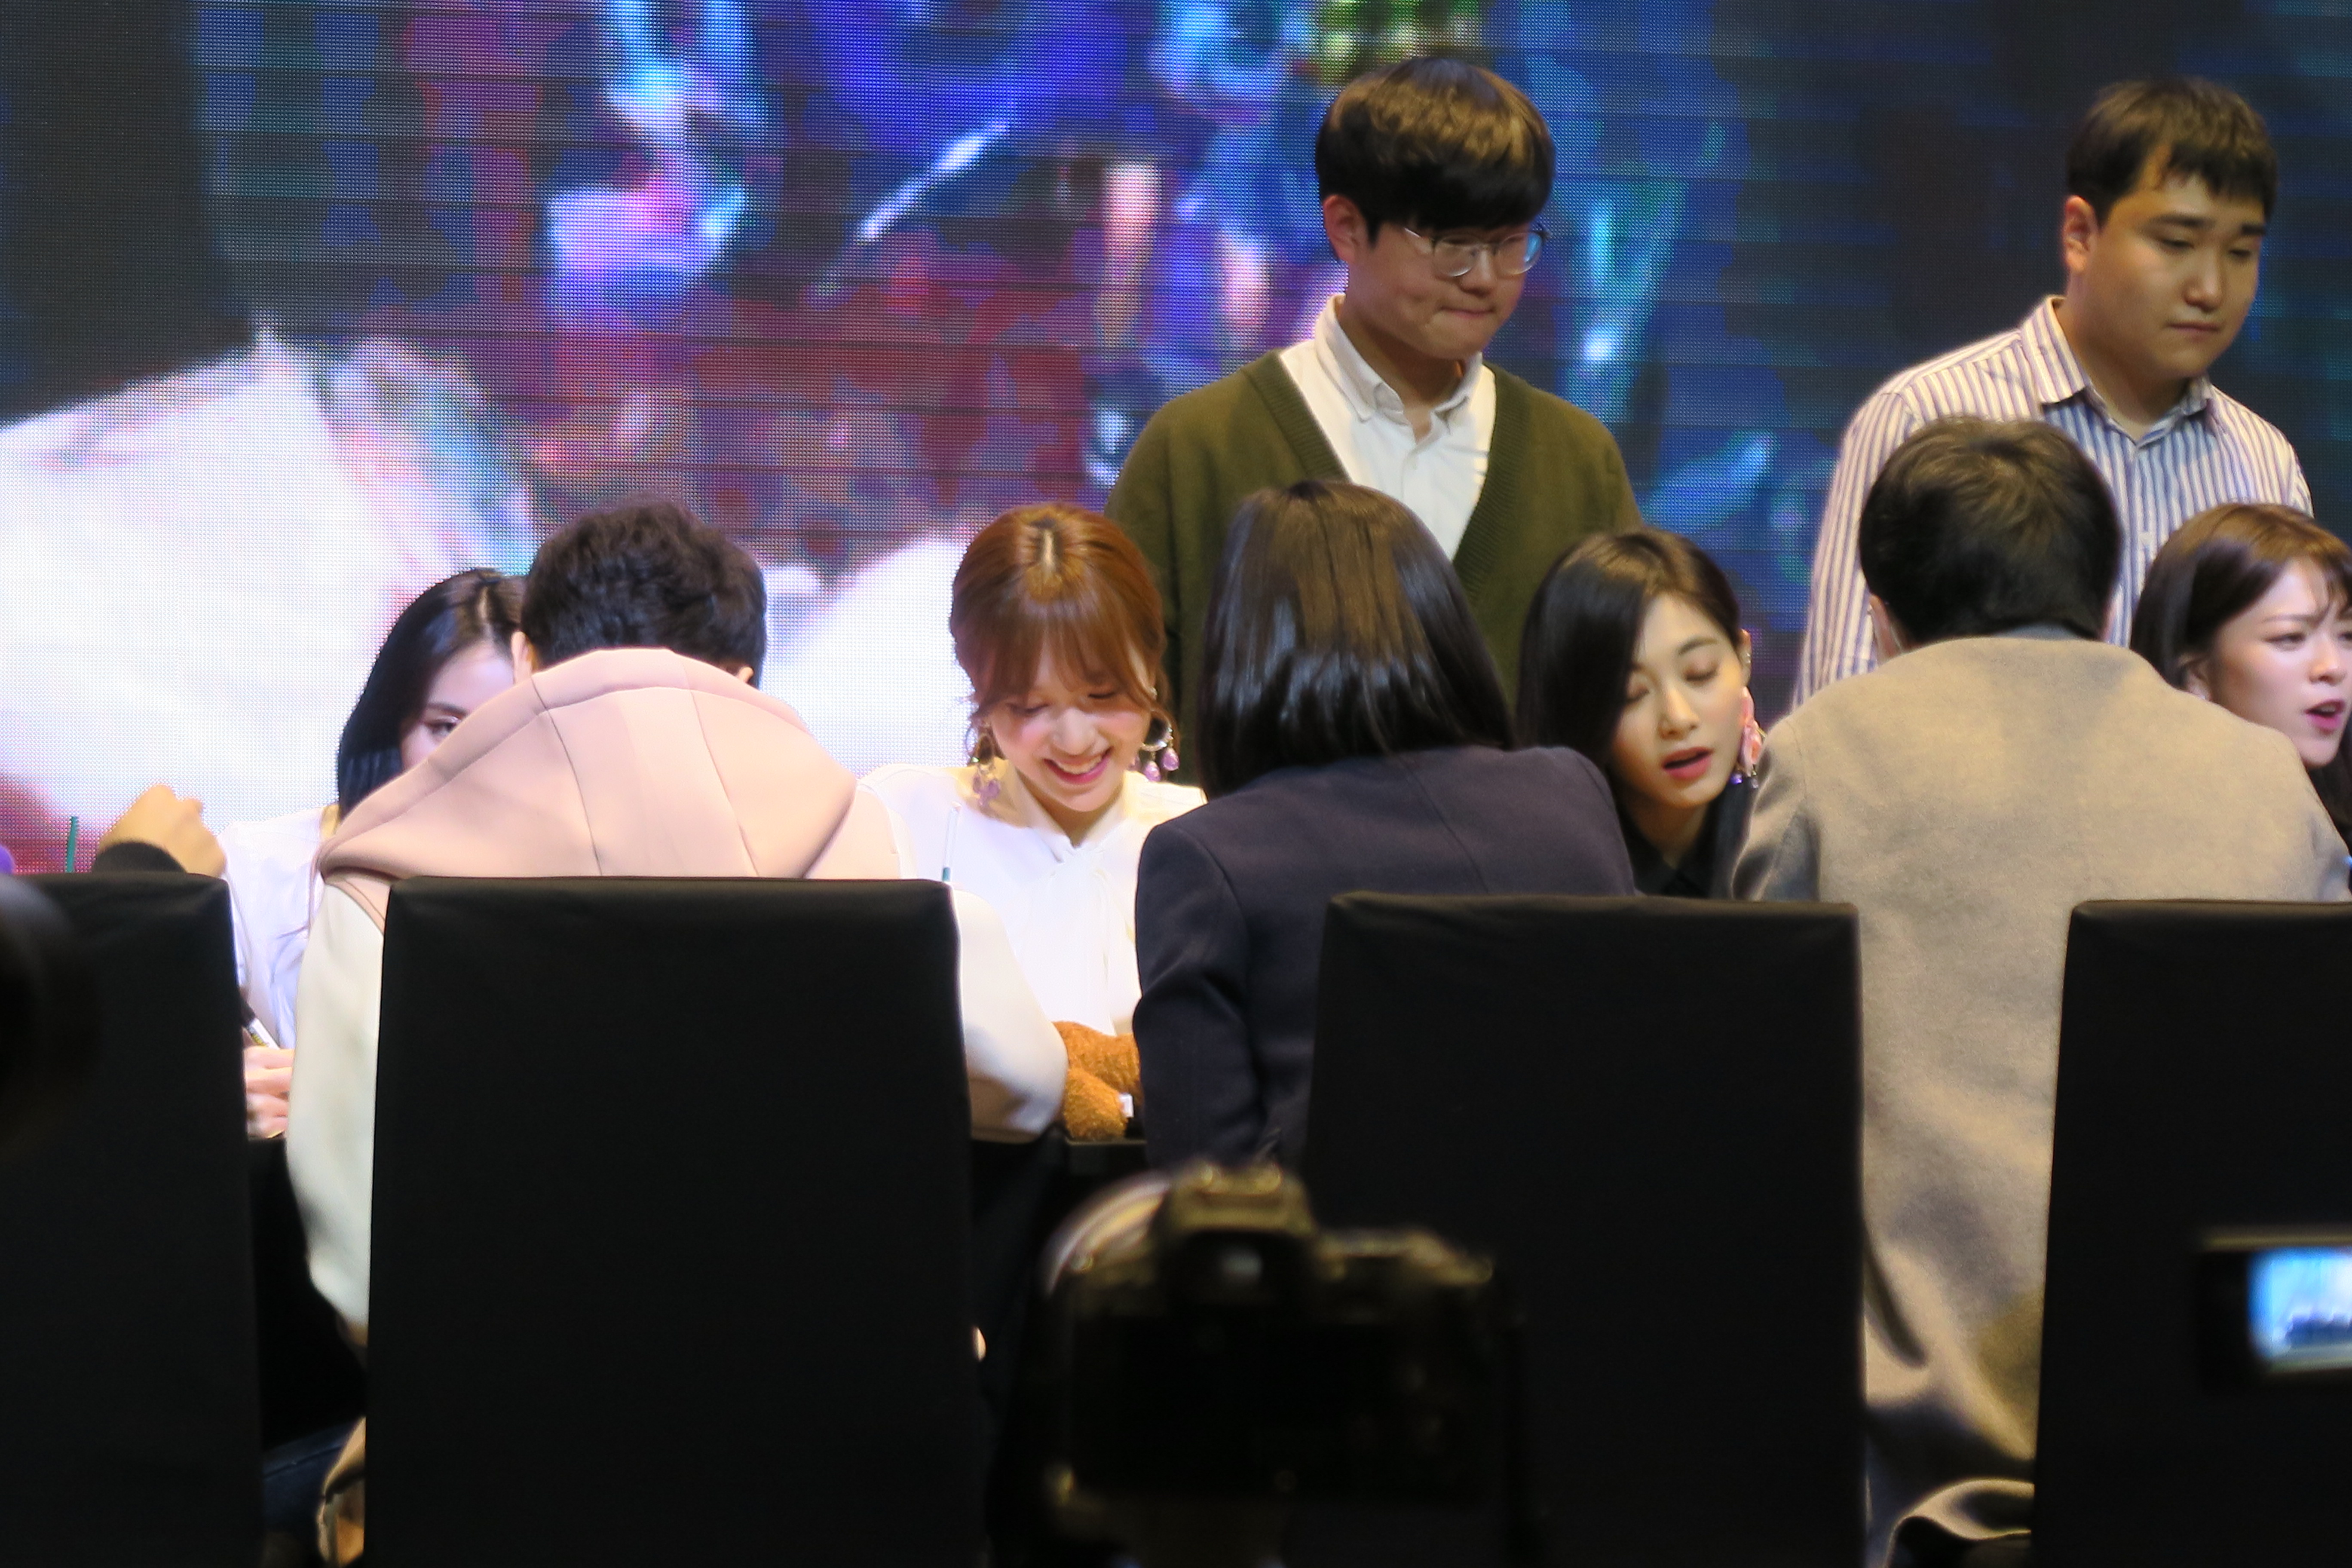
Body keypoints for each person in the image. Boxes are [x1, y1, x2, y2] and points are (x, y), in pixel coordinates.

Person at [1734, 419, 2346, 1568]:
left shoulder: (1821, 755)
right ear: (2105, 603)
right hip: (2247, 1449)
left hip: (1923, 1479)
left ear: (1884, 617)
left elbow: (1756, 1110)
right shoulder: (2264, 776)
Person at [286, 498, 1069, 1337]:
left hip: (497, 1400)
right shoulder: (855, 837)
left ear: (524, 657)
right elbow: (1027, 1090)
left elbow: (359, 1269)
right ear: (742, 680)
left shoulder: (381, 873)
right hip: (836, 1393)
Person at [1106, 56, 1641, 764]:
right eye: (1451, 244)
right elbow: (1113, 721)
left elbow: (1627, 710)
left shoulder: (1575, 459)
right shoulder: (1196, 448)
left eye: (1510, 243)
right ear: (1347, 229)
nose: (1485, 278)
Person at [1131, 481, 1634, 1167]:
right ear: (1440, 620)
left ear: (1240, 647)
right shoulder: (1570, 792)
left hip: (1341, 1238)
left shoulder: (1205, 856)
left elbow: (1201, 1179)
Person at [1798, 78, 2305, 704]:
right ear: (2080, 235)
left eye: (2241, 252)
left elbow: (2298, 722)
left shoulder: (2263, 462)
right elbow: (1844, 707)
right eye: (2176, 244)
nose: (2210, 288)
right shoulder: (1926, 414)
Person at [865, 505, 1202, 1041]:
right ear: (979, 692)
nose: (1074, 741)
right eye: (1029, 707)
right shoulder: (904, 821)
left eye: (1102, 696)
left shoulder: (1203, 838)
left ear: (1151, 666)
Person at [220, 569, 523, 1052]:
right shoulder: (256, 870)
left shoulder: (586, 887)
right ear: (392, 726)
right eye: (446, 728)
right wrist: (230, 1083)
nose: (471, 761)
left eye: (509, 733)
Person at [1516, 529, 1765, 898]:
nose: (1678, 719)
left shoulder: (1789, 825)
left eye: (1700, 673)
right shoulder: (1537, 866)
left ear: (1743, 656)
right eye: (1630, 695)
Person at [2130, 502, 2352, 844]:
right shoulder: (2154, 837)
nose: (2333, 667)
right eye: (2291, 638)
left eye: (2348, 636)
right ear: (2196, 674)